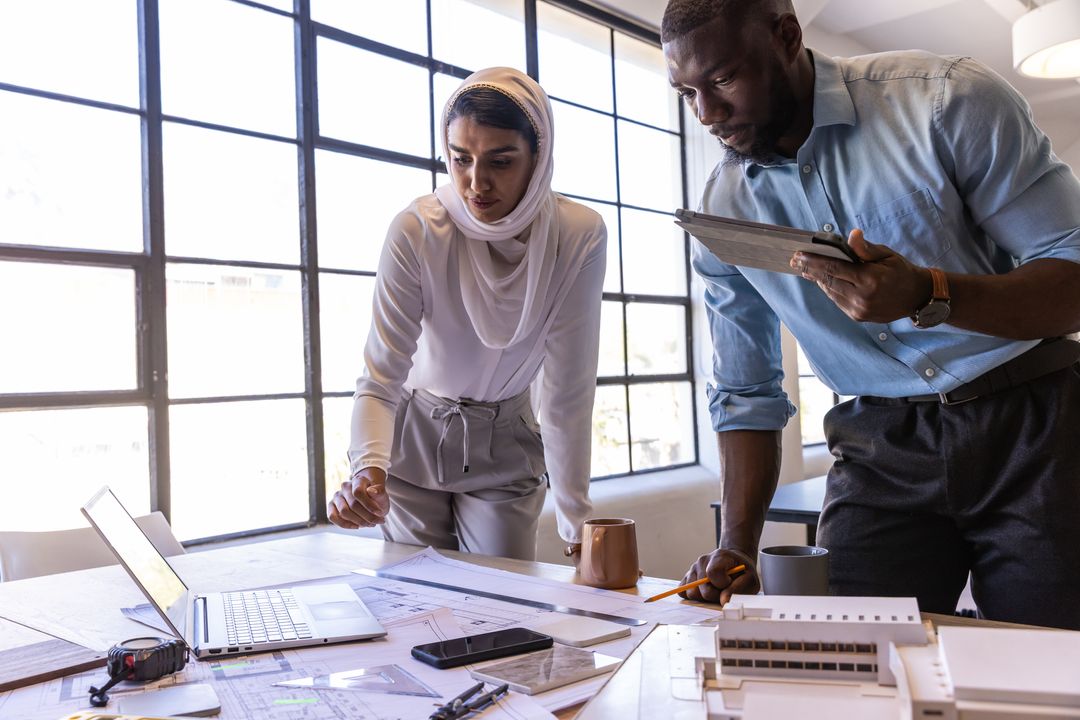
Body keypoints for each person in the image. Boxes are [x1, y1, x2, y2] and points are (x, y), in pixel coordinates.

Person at [661, 0, 1080, 628]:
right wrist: (737, 543)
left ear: (786, 34)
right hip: (876, 448)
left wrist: (929, 294)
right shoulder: (725, 209)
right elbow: (747, 391)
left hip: (1034, 427)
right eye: (687, 91)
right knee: (854, 664)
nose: (707, 114)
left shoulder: (947, 101)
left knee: (1050, 670)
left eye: (722, 79)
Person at [327, 67, 606, 562]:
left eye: (500, 161)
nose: (477, 183)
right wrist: (368, 469)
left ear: (538, 158)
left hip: (507, 438)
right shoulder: (417, 230)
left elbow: (567, 389)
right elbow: (380, 376)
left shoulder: (577, 233)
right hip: (414, 435)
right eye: (461, 159)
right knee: (421, 603)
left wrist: (578, 524)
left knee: (504, 602)